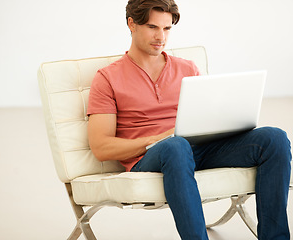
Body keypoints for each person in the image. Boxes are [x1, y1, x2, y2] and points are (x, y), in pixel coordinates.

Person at [87, 0, 292, 239]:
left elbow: (206, 117)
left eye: (167, 29)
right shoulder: (107, 78)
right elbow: (101, 147)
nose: (161, 37)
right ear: (132, 24)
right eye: (153, 27)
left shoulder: (188, 68)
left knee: (274, 138)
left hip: (198, 150)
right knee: (176, 145)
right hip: (151, 157)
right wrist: (157, 139)